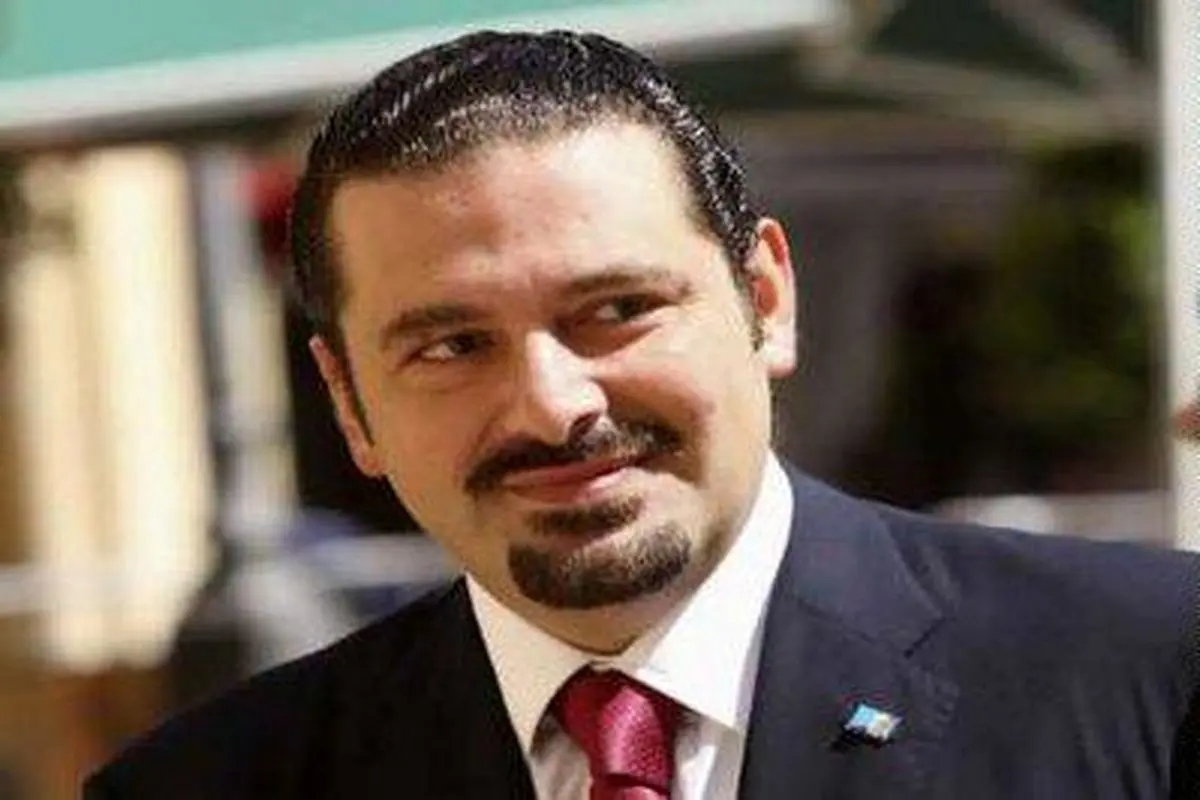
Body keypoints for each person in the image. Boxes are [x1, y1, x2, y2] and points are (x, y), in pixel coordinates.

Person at [85, 30, 1198, 799]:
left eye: (616, 310)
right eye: (452, 345)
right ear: (349, 403)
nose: (552, 403)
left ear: (765, 299)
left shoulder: (1151, 675)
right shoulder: (209, 785)